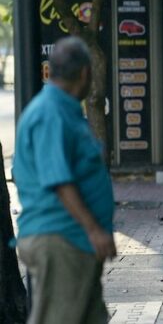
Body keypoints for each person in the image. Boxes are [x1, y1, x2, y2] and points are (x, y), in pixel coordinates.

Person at [13, 36, 116, 324]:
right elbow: (59, 181)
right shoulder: (50, 114)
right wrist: (94, 229)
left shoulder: (64, 111)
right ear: (85, 73)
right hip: (60, 239)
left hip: (73, 241)